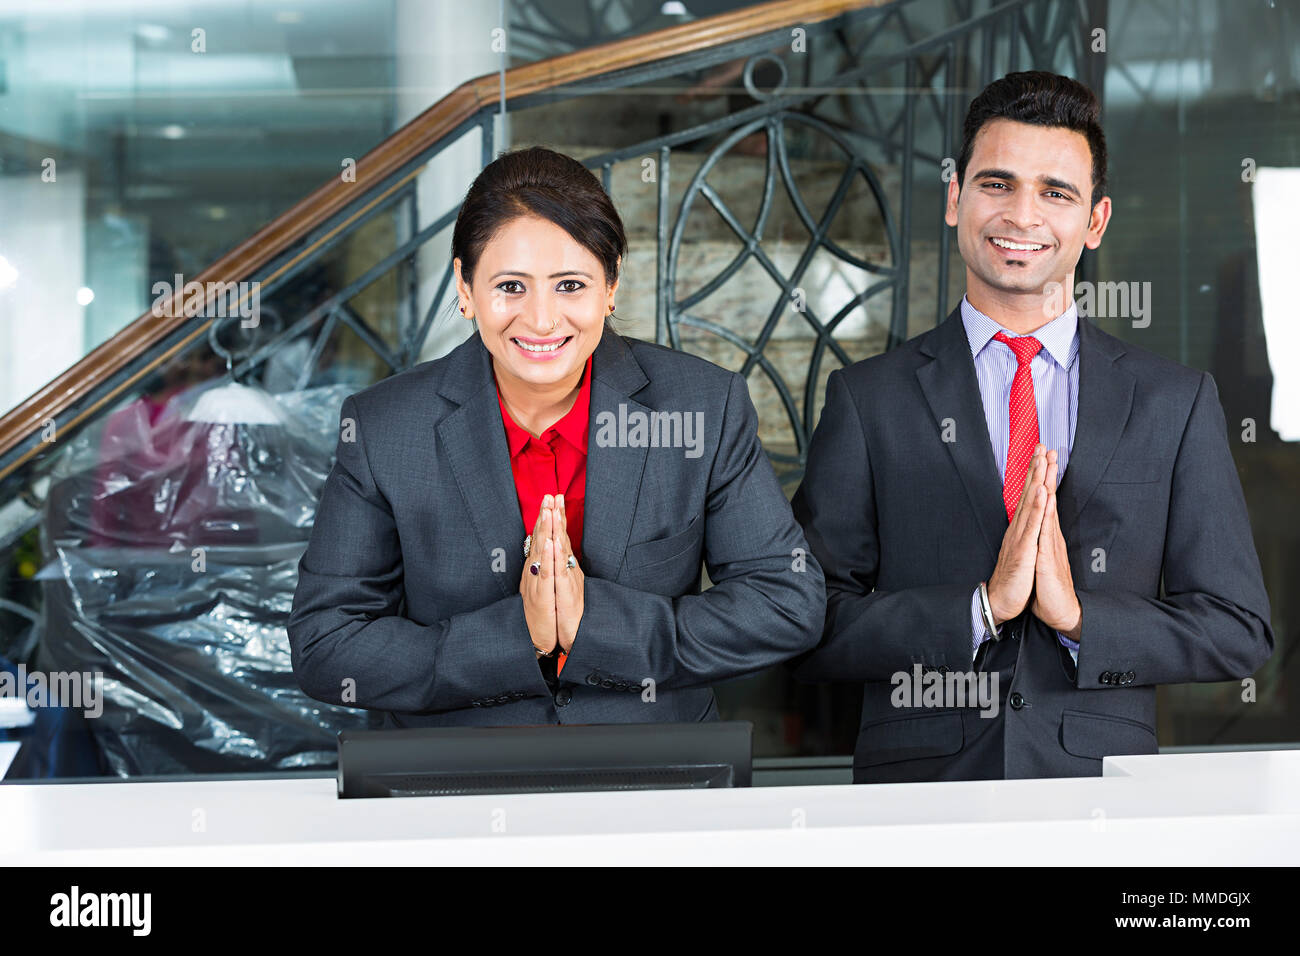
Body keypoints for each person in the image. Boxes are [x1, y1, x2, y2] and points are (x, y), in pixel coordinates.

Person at [791, 71, 1273, 782]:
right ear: (955, 199)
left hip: (1104, 795)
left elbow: (1238, 629)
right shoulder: (870, 398)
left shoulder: (1175, 401)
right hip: (919, 796)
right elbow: (804, 623)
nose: (1022, 216)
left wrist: (1082, 620)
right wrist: (978, 611)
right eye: (997, 184)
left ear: (1096, 221)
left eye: (1056, 192)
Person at [288, 146, 825, 728]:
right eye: (511, 287)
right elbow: (326, 644)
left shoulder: (702, 407)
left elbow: (785, 603)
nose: (542, 320)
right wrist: (515, 638)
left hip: (654, 779)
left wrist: (601, 628)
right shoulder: (385, 428)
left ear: (611, 285)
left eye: (570, 285)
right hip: (453, 786)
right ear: (465, 287)